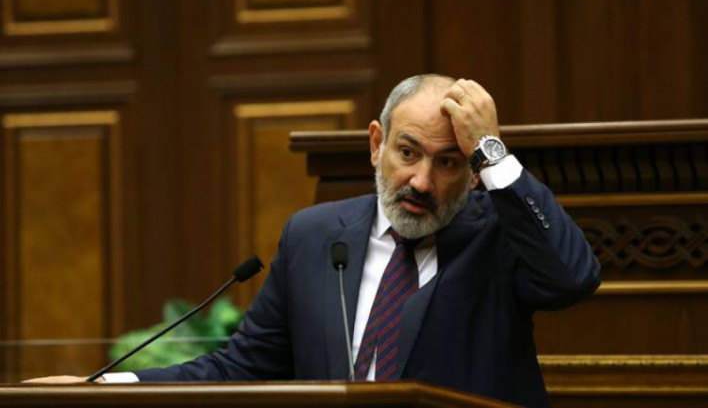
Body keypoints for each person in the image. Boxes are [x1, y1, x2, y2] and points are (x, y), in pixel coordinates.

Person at [26, 74, 600, 407]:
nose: (422, 181)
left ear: (473, 172)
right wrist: (102, 388)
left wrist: (493, 153)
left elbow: (573, 277)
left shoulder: (500, 236)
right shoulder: (314, 236)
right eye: (407, 152)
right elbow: (239, 367)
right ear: (375, 144)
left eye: (448, 161)